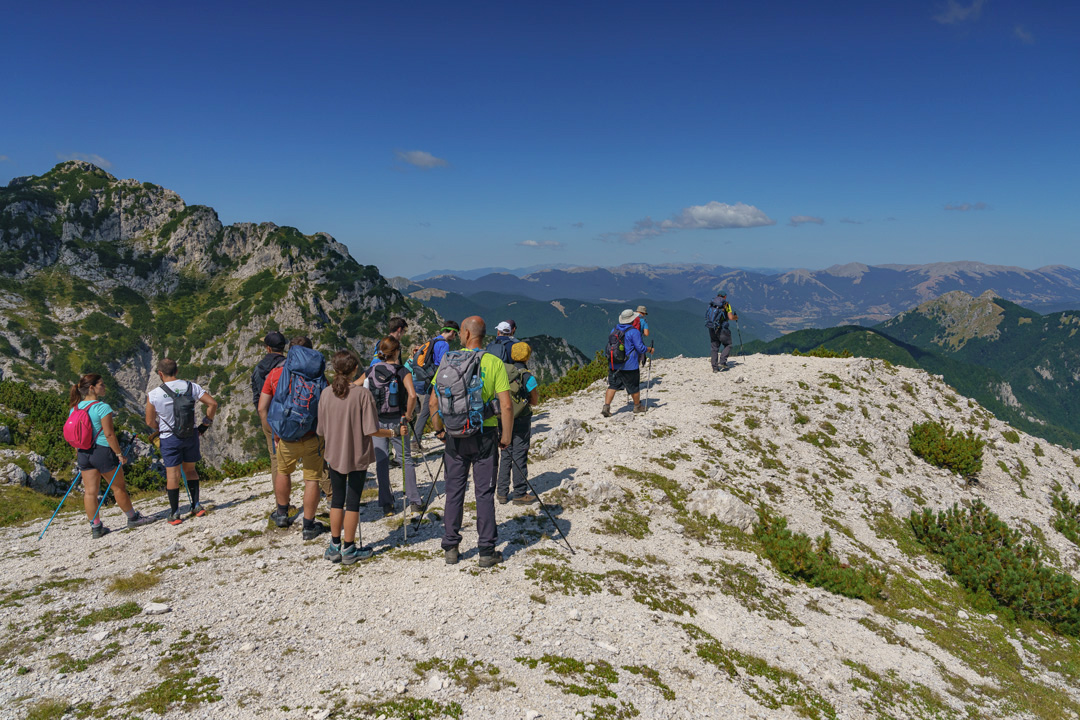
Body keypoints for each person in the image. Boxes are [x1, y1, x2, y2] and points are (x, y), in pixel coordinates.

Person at [428, 316, 513, 567]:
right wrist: (505, 437)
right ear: (483, 335)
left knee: (454, 491)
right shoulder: (494, 362)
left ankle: (451, 547)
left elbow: (433, 402)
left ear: (464, 334)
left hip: (454, 436)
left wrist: (440, 431)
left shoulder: (448, 360)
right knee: (484, 492)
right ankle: (486, 550)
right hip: (484, 434)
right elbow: (506, 405)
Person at [317, 351, 396, 564]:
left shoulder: (325, 394)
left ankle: (334, 546)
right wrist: (392, 433)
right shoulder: (362, 395)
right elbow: (371, 430)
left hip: (333, 455)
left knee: (336, 500)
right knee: (352, 502)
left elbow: (321, 430)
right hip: (357, 455)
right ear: (354, 371)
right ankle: (349, 549)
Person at [258, 336, 329, 539]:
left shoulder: (275, 374)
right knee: (312, 479)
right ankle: (308, 526)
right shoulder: (317, 373)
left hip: (285, 436)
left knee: (283, 471)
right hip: (311, 436)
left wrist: (274, 433)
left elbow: (262, 408)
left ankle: (281, 514)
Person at [68, 374, 153, 538]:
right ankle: (132, 518)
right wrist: (119, 454)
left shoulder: (74, 409)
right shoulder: (102, 407)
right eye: (101, 384)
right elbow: (109, 434)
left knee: (90, 492)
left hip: (83, 453)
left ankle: (96, 527)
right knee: (118, 488)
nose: (104, 387)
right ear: (92, 388)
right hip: (102, 452)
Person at [146, 359, 218, 525]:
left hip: (169, 437)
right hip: (190, 434)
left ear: (160, 374)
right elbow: (212, 403)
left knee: (173, 475)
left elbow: (149, 421)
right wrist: (205, 424)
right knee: (190, 470)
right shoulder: (191, 387)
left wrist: (161, 427)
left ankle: (175, 513)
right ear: (177, 371)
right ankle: (197, 506)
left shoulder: (154, 394)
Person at [369, 336, 424, 516]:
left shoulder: (371, 369)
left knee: (382, 461)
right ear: (397, 351)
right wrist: (408, 416)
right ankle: (414, 500)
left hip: (377, 422)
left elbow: (357, 387)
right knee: (405, 459)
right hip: (398, 420)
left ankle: (387, 503)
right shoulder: (402, 371)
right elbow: (412, 395)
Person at [496, 342, 540, 505]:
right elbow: (534, 400)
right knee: (520, 453)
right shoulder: (527, 376)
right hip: (521, 419)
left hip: (502, 418)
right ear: (527, 356)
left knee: (506, 453)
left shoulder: (503, 370)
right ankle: (520, 493)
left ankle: (501, 492)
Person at [409, 321, 459, 452]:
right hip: (436, 381)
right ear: (452, 332)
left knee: (426, 410)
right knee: (442, 407)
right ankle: (449, 437)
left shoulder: (433, 341)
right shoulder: (444, 344)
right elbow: (443, 365)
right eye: (456, 334)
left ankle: (415, 440)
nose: (455, 337)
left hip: (425, 379)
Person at [601, 309, 654, 417]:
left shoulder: (614, 329)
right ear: (632, 319)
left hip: (614, 364)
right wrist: (649, 349)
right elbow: (640, 348)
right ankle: (637, 406)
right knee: (633, 386)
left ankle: (606, 407)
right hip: (630, 365)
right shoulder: (634, 331)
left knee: (613, 385)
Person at [251, 331, 287, 478]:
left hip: (270, 416)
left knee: (276, 458)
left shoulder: (259, 369)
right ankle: (328, 492)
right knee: (310, 451)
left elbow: (256, 396)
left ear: (268, 348)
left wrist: (264, 417)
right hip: (294, 414)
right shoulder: (290, 365)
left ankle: (281, 500)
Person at [707, 292, 739, 372]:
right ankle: (722, 361)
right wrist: (736, 317)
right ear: (725, 296)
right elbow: (731, 317)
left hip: (711, 327)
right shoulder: (726, 304)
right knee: (728, 344)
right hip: (722, 328)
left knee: (714, 347)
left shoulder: (712, 304)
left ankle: (715, 367)